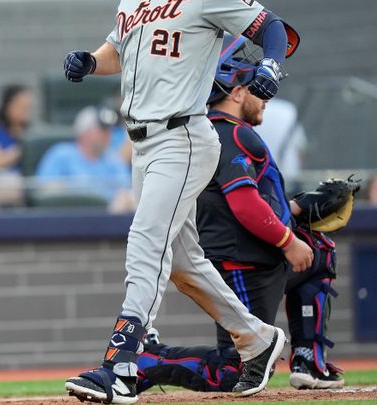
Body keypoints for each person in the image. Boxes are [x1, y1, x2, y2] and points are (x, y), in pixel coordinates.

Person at [62, 0, 301, 404]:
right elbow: (119, 50)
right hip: (143, 142)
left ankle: (123, 359)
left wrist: (270, 66)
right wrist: (89, 60)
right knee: (181, 263)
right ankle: (257, 340)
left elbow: (274, 28)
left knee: (145, 241)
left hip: (184, 135)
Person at [136, 36, 345, 393]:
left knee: (319, 252)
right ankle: (150, 360)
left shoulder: (222, 132)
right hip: (242, 266)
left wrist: (294, 211)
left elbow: (245, 200)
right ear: (235, 92)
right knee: (236, 371)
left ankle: (309, 361)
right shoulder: (227, 135)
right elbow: (244, 205)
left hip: (259, 257)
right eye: (255, 88)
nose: (264, 97)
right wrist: (287, 240)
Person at [35, 106, 132, 210]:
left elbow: (126, 192)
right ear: (85, 132)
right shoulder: (60, 154)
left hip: (103, 220)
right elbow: (43, 189)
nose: (108, 135)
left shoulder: (114, 161)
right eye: (102, 130)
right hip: (64, 217)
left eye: (109, 130)